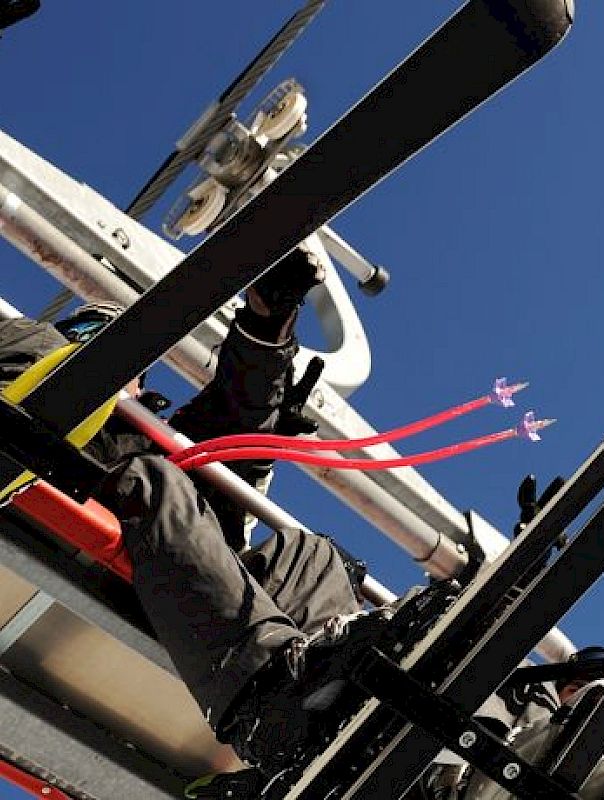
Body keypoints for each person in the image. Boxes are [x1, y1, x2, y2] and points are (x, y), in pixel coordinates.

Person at [0, 246, 369, 776]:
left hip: (169, 570)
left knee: (310, 556)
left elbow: (229, 424)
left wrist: (266, 333)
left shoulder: (143, 433)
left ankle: (339, 699)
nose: (135, 378)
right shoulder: (32, 349)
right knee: (153, 481)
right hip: (45, 513)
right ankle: (263, 701)